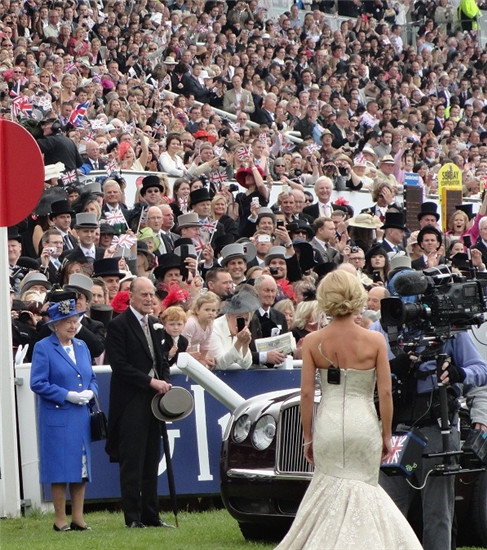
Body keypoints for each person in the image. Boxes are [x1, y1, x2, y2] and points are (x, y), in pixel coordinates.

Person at [275, 270, 422, 550]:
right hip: (363, 423)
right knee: (366, 491)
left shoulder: (313, 341)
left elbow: (307, 393)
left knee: (326, 493)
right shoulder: (374, 340)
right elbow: (386, 392)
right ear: (356, 297)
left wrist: (308, 436)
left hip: (328, 424)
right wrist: (387, 434)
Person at [105, 277, 174, 529]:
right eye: (143, 294)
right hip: (131, 400)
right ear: (130, 296)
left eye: (151, 294)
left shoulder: (156, 324)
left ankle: (151, 515)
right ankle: (132, 517)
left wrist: (164, 382)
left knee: (150, 459)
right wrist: (150, 382)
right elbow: (120, 365)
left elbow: (162, 360)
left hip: (154, 401)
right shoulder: (118, 325)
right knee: (132, 461)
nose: (149, 299)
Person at [30, 298, 98, 532]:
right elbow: (37, 383)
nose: (72, 326)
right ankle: (60, 519)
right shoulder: (44, 347)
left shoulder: (82, 346)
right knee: (59, 470)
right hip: (57, 419)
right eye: (67, 322)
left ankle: (78, 518)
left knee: (81, 470)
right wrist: (66, 395)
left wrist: (91, 392)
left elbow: (92, 378)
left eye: (75, 321)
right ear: (55, 325)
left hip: (80, 417)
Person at [208, 285, 260, 370]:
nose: (243, 323)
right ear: (229, 315)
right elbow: (220, 365)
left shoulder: (240, 333)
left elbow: (246, 365)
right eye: (239, 318)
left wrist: (245, 345)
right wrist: (239, 343)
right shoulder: (214, 328)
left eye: (246, 320)